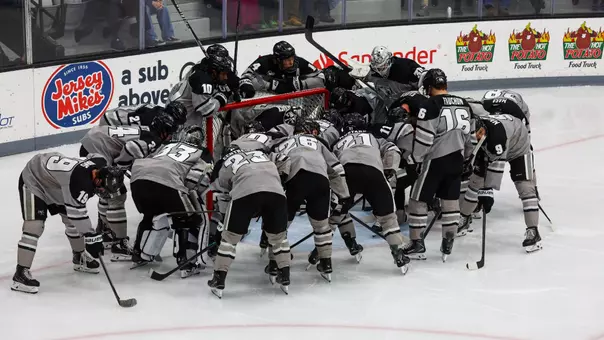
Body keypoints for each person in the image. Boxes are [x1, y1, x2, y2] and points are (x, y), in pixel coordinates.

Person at [12, 153, 123, 293]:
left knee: (71, 221)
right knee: (34, 226)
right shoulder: (80, 183)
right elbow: (78, 214)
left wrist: (91, 237)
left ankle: (79, 256)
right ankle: (20, 274)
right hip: (34, 179)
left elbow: (93, 155)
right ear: (98, 180)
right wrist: (91, 236)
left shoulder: (100, 165)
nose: (102, 192)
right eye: (102, 188)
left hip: (57, 183)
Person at [79, 115, 178, 261]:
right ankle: (119, 244)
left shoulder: (148, 130)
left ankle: (105, 231)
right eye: (169, 132)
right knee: (117, 194)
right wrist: (119, 167)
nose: (170, 136)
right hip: (98, 149)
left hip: (93, 142)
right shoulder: (153, 139)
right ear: (163, 131)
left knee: (107, 192)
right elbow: (131, 147)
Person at [403, 68, 473, 262]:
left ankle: (417, 243)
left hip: (435, 160)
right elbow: (471, 138)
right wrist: (467, 157)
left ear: (428, 85)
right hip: (457, 159)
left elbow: (425, 139)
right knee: (450, 200)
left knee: (417, 200)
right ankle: (448, 241)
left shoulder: (430, 104)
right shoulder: (464, 103)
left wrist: (416, 159)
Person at [272, 117, 350, 282]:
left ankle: (277, 266)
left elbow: (275, 166)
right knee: (322, 227)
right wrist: (343, 195)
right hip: (320, 179)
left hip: (295, 179)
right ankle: (326, 264)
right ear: (311, 131)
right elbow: (335, 168)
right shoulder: (318, 143)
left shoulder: (284, 142)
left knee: (280, 225)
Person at [331, 113, 410, 273]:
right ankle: (398, 254)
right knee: (388, 218)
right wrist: (389, 170)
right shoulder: (373, 137)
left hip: (347, 174)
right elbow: (393, 149)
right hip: (374, 172)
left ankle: (323, 253)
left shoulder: (337, 142)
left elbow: (330, 163)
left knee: (338, 213)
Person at [208, 145, 290, 298]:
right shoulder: (261, 154)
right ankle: (284, 275)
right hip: (276, 193)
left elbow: (222, 186)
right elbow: (284, 159)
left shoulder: (228, 160)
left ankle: (219, 278)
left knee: (229, 239)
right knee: (279, 238)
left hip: (245, 194)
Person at [130, 125, 213, 276]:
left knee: (151, 214)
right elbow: (198, 179)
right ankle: (186, 261)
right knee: (190, 219)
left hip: (138, 179)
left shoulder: (165, 145)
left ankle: (139, 253)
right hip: (168, 180)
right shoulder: (203, 152)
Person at [459, 107, 542, 252]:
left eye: (478, 134)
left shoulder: (497, 138)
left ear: (483, 130)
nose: (476, 137)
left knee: (525, 187)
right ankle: (464, 218)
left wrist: (487, 193)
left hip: (519, 147)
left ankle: (533, 231)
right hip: (494, 143)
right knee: (475, 181)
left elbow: (495, 170)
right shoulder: (476, 127)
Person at [239, 41, 325, 97]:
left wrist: (302, 83)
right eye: (287, 60)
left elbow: (321, 76)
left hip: (295, 101)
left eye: (292, 58)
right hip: (269, 100)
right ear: (277, 60)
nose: (291, 62)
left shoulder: (300, 62)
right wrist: (247, 85)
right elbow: (246, 75)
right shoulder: (265, 62)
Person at [99, 102, 187, 127]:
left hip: (116, 115)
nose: (176, 127)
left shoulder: (159, 110)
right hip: (110, 120)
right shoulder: (149, 119)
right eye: (176, 123)